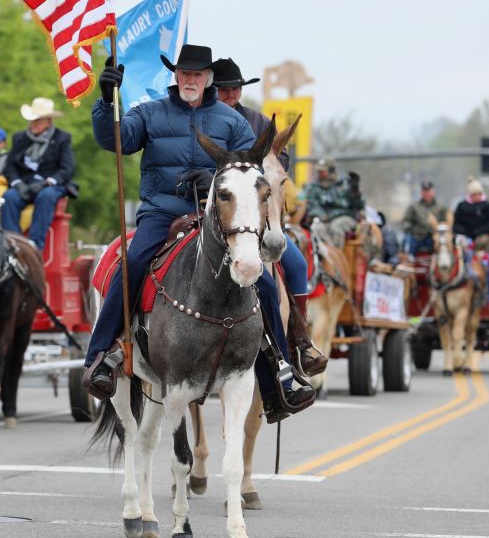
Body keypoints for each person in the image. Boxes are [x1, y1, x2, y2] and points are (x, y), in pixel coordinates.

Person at [83, 43, 315, 421]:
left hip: (217, 218)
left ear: (208, 79)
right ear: (175, 76)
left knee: (265, 284)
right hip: (162, 212)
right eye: (184, 73)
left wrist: (211, 177)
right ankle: (99, 358)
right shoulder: (149, 113)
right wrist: (106, 103)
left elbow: (247, 168)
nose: (190, 80)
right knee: (134, 262)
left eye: (197, 74)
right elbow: (114, 140)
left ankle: (281, 377)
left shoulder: (230, 121)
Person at [212, 57, 326, 375]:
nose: (230, 94)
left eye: (235, 88)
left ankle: (300, 340)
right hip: (218, 213)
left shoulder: (260, 121)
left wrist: (265, 167)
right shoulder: (206, 120)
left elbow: (281, 157)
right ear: (213, 90)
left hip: (260, 214)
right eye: (223, 89)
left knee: (296, 263)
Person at [0, 97, 76, 252]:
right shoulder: (19, 138)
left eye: (37, 120)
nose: (33, 124)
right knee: (9, 197)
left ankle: (34, 247)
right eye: (32, 120)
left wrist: (46, 182)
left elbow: (67, 169)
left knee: (46, 196)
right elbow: (9, 167)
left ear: (48, 121)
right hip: (24, 184)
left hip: (50, 185)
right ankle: (12, 244)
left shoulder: (62, 138)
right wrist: (17, 183)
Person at [295, 159, 363, 248]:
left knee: (336, 228)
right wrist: (320, 214)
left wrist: (356, 193)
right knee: (318, 229)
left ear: (331, 171)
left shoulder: (344, 185)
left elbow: (359, 206)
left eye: (323, 171)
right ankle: (326, 257)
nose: (320, 174)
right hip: (323, 219)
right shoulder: (312, 188)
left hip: (344, 218)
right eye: (318, 171)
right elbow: (311, 205)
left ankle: (337, 257)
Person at [401, 180, 450, 256]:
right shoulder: (414, 207)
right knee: (407, 240)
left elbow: (446, 222)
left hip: (434, 237)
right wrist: (409, 229)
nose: (427, 193)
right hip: (417, 237)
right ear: (421, 193)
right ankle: (409, 261)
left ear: (433, 192)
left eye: (428, 191)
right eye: (424, 191)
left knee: (444, 243)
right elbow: (406, 221)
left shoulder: (441, 208)